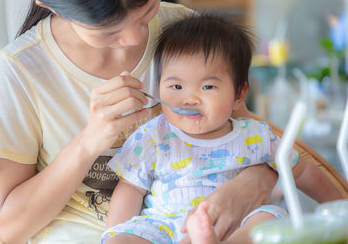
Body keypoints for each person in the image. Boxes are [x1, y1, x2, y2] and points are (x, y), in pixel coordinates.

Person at [0, 0, 342, 243]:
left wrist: (253, 183)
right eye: (108, 33)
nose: (135, 39)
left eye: (146, 14)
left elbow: (245, 134)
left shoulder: (185, 32)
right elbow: (8, 228)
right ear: (54, 8)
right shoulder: (19, 70)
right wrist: (89, 141)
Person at [101, 14, 343, 244]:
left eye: (207, 87)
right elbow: (131, 188)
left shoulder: (255, 135)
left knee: (269, 218)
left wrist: (340, 205)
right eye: (176, 86)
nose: (190, 98)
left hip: (233, 225)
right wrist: (116, 233)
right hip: (163, 227)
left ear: (239, 95)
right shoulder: (153, 135)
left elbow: (302, 173)